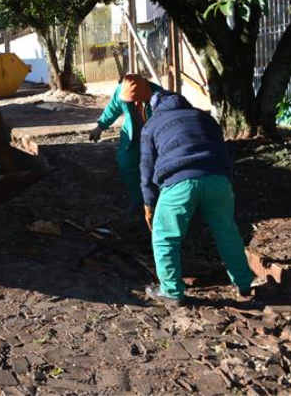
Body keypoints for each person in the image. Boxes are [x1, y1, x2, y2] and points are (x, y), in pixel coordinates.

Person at [139, 91, 253, 306]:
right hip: (217, 179)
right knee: (227, 231)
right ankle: (244, 283)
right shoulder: (204, 117)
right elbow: (223, 151)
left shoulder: (152, 124)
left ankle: (171, 291)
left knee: (165, 237)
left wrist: (149, 204)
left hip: (178, 183)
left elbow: (146, 168)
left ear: (154, 108)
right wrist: (226, 182)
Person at [89, 74, 163, 212]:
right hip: (132, 134)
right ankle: (138, 199)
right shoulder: (121, 90)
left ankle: (157, 202)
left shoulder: (159, 95)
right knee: (126, 163)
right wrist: (100, 127)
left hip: (155, 137)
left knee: (156, 167)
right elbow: (113, 108)